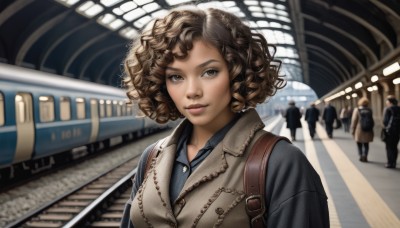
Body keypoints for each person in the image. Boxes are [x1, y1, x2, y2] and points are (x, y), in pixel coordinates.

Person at [120, 6, 329, 228]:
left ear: (237, 72)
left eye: (209, 72)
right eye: (175, 76)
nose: (192, 91)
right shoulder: (151, 157)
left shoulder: (282, 163)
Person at [350, 97, 374, 162]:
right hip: (368, 130)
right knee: (366, 144)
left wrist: (352, 130)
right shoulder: (369, 110)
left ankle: (361, 155)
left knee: (359, 143)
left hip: (359, 129)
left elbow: (354, 121)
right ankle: (365, 155)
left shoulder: (357, 110)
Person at [382, 95, 400, 168]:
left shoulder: (388, 109)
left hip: (389, 132)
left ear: (389, 102)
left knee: (389, 147)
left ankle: (390, 162)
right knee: (395, 147)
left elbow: (385, 121)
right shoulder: (399, 109)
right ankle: (394, 162)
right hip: (397, 132)